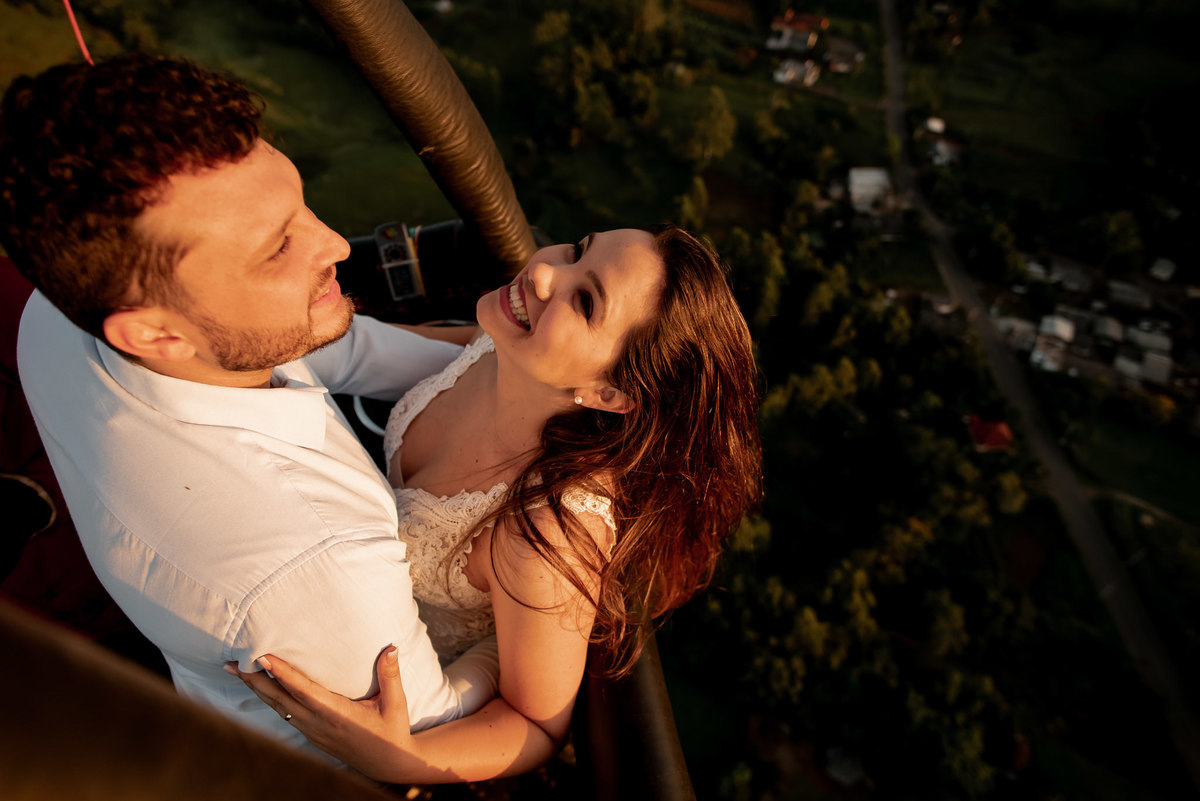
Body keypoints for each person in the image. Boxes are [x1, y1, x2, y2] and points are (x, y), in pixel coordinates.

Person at [0, 53, 500, 757]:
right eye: (276, 249)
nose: (332, 244)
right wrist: (514, 632)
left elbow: (348, 350)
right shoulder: (315, 565)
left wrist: (522, 358)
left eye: (299, 204)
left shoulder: (63, 310)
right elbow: (429, 729)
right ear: (154, 333)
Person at [234, 224, 764, 782]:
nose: (542, 271)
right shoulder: (498, 346)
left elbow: (535, 724)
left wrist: (396, 757)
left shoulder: (548, 530)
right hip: (305, 556)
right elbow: (372, 346)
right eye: (578, 249)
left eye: (584, 301)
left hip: (368, 681)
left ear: (610, 394)